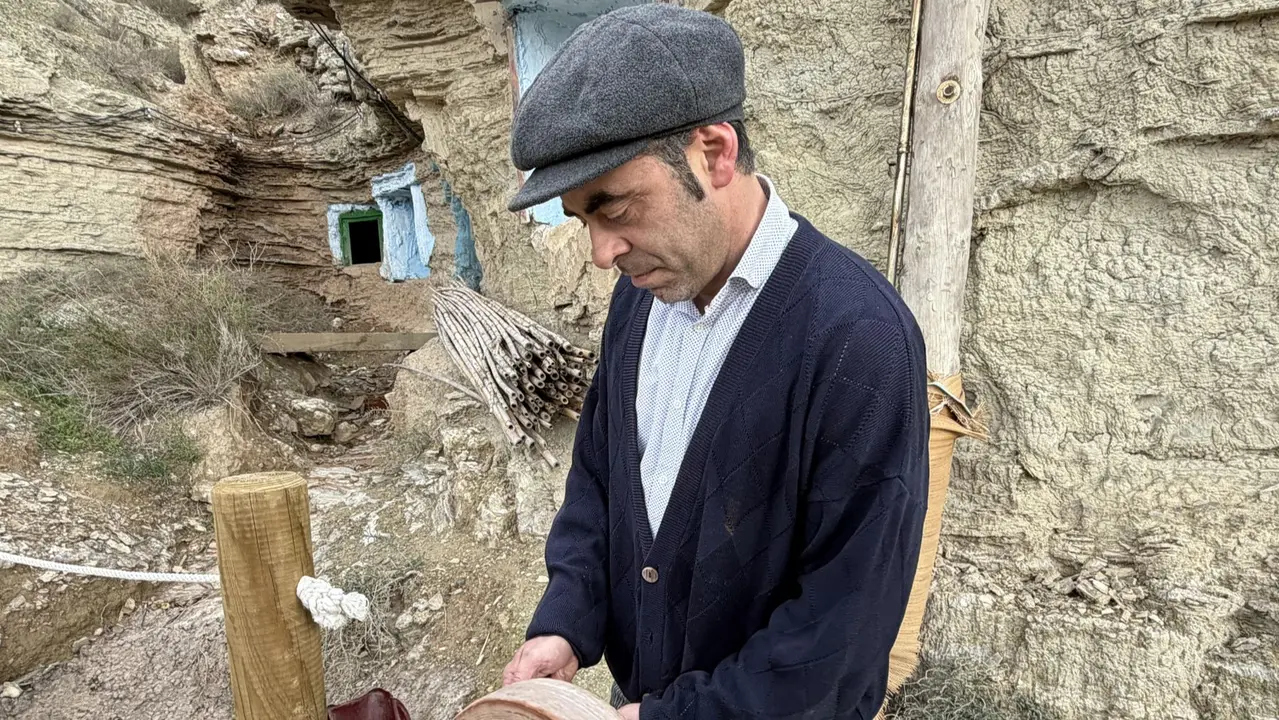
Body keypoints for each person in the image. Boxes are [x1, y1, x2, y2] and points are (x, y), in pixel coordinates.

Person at [501, 5, 930, 719]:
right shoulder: (640, 299)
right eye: (581, 219)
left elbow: (839, 631)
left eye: (614, 208)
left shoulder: (858, 338)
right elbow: (600, 482)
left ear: (713, 152)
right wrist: (565, 621)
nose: (601, 252)